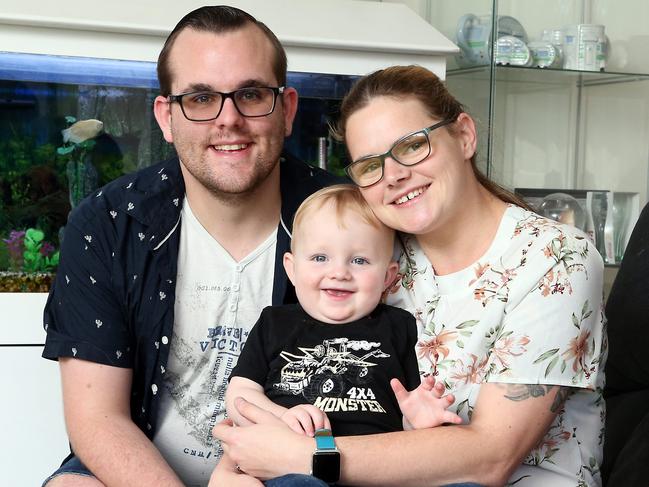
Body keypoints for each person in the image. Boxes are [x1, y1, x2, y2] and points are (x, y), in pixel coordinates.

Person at [212, 65, 607, 487]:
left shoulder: (555, 256)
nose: (395, 174)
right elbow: (280, 393)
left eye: (413, 146)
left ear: (464, 136)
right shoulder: (374, 256)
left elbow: (490, 459)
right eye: (370, 166)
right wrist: (234, 469)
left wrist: (306, 456)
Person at [41, 5, 341, 486]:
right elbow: (97, 419)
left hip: (290, 467)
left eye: (250, 93)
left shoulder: (346, 217)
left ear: (286, 109)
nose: (229, 119)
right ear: (166, 116)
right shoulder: (108, 222)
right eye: (201, 98)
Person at [226, 185, 462, 485]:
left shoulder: (399, 326)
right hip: (293, 467)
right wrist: (279, 416)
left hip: (377, 472)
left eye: (359, 261)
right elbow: (239, 396)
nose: (339, 272)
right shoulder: (275, 322)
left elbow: (408, 406)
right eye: (320, 258)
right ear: (292, 268)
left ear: (388, 277)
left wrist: (417, 422)